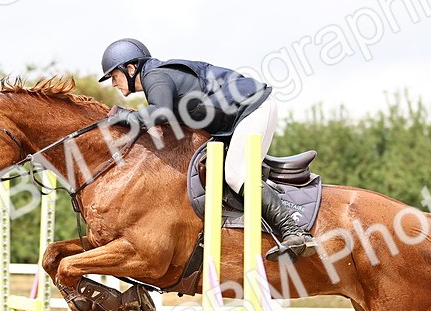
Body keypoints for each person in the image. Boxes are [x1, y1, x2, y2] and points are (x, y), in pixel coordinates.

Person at [98, 38, 315, 258]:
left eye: (114, 76)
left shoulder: (156, 75)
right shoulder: (158, 78)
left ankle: (294, 231)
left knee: (235, 175)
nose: (114, 84)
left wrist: (124, 115)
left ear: (131, 68)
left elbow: (160, 113)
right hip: (237, 118)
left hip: (253, 108)